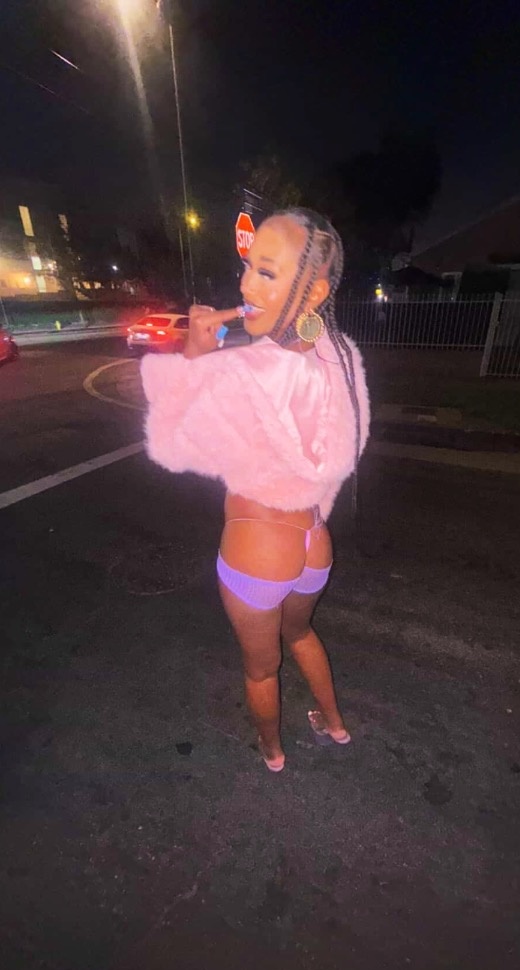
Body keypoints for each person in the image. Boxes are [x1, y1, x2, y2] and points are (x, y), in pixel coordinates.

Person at [141, 208, 370, 772]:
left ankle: (272, 751)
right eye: (248, 267)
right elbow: (344, 453)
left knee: (261, 669)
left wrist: (195, 355)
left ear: (313, 292)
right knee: (302, 634)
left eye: (266, 272)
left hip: (257, 547)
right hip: (314, 541)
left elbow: (169, 442)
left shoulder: (244, 371)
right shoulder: (340, 358)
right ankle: (334, 724)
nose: (245, 285)